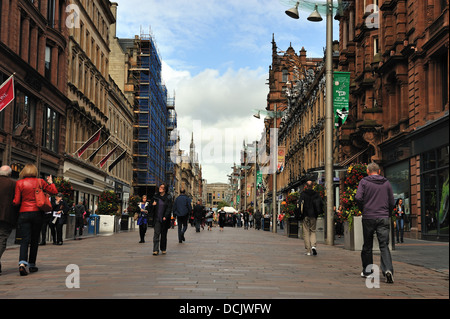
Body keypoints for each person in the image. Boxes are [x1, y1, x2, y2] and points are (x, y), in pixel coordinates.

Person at [12, 163, 58, 276]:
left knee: (24, 240)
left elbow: (16, 201)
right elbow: (54, 192)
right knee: (34, 240)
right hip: (37, 213)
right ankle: (32, 264)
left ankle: (22, 264)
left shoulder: (19, 183)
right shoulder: (40, 182)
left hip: (23, 213)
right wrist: (51, 182)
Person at [355, 162, 395, 284]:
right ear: (379, 171)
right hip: (383, 217)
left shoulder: (364, 182)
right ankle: (388, 270)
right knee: (384, 245)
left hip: (368, 217)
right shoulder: (386, 182)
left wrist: (364, 209)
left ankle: (368, 272)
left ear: (368, 171)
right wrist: (387, 213)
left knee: (367, 245)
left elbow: (358, 197)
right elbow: (392, 201)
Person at [0, 166, 18, 275]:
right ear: (10, 174)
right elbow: (17, 201)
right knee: (2, 238)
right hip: (6, 216)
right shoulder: (13, 184)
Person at [299, 181, 322, 256]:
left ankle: (308, 250)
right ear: (313, 186)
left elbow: (299, 204)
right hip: (313, 215)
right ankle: (313, 246)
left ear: (306, 186)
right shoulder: (316, 194)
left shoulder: (303, 194)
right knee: (313, 231)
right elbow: (320, 204)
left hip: (305, 215)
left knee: (306, 232)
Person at [150, 184, 172, 255]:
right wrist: (153, 205)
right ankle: (155, 250)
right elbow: (150, 207)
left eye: (162, 187)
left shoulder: (168, 197)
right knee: (156, 234)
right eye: (160, 187)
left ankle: (163, 248)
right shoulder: (156, 196)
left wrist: (165, 216)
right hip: (157, 218)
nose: (160, 188)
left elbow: (169, 208)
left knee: (163, 234)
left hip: (164, 219)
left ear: (165, 189)